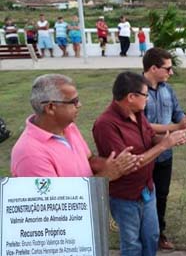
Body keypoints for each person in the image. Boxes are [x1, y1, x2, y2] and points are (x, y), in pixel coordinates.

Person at [93, 71, 186, 256]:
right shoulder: (105, 125)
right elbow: (127, 165)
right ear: (130, 96)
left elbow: (149, 139)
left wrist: (170, 140)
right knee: (132, 242)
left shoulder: (138, 114)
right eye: (145, 95)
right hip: (125, 195)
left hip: (147, 188)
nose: (148, 99)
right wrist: (164, 146)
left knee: (151, 235)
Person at [142, 48, 186, 251]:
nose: (171, 73)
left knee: (161, 195)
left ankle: (158, 234)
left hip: (165, 154)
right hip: (145, 154)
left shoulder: (167, 90)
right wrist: (176, 128)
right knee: (143, 196)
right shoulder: (138, 90)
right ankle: (143, 235)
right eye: (168, 68)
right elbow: (142, 126)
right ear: (153, 68)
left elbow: (177, 113)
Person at [11, 74, 139, 179]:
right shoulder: (30, 153)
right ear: (50, 107)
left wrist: (115, 165)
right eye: (74, 101)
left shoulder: (69, 127)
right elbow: (54, 204)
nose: (80, 105)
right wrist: (106, 176)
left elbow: (89, 159)